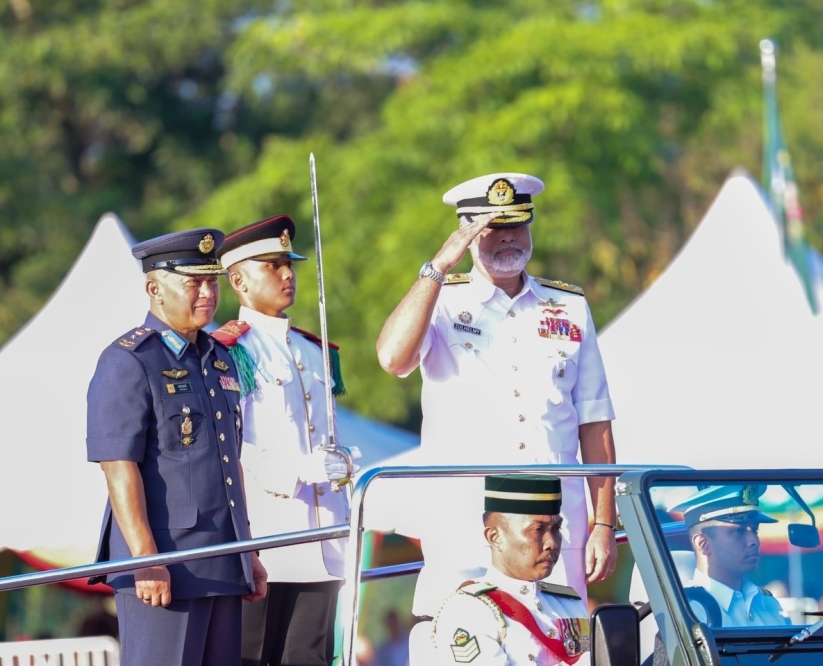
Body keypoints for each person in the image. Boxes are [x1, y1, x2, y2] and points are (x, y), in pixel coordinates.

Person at [375, 173, 618, 622]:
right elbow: (392, 358)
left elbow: (594, 420)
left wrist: (605, 523)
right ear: (467, 237)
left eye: (517, 225)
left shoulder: (567, 306)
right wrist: (436, 268)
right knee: (470, 639)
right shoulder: (441, 300)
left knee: (561, 642)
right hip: (467, 517)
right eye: (492, 228)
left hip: (555, 519)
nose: (507, 238)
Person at [86, 228, 268, 666]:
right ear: (154, 288)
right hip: (166, 564)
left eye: (212, 282)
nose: (207, 293)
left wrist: (248, 550)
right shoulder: (129, 359)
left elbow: (230, 462)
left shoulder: (218, 357)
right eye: (193, 283)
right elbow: (117, 465)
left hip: (221, 557)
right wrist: (146, 559)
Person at [212, 215, 359, 666]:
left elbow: (332, 431)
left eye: (288, 264)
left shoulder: (316, 351)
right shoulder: (228, 350)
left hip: (323, 538)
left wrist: (345, 460)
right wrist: (297, 469)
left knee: (309, 659)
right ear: (238, 280)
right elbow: (227, 443)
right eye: (272, 265)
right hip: (266, 538)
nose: (287, 274)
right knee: (252, 657)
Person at [432, 474, 591, 665]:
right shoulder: (468, 610)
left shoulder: (567, 603)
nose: (552, 543)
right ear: (494, 537)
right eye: (538, 530)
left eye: (556, 529)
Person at [677, 485, 790, 627]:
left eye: (755, 530)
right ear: (703, 544)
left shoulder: (769, 605)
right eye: (738, 531)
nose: (754, 541)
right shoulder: (690, 611)